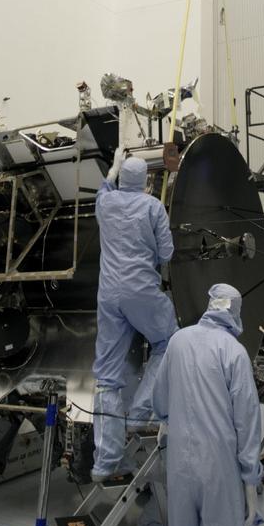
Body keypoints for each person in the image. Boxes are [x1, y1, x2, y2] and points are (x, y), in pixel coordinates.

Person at [152, 282, 263, 526]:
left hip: (180, 467)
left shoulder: (178, 341)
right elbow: (247, 419)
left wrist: (170, 420)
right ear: (234, 310)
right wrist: (250, 478)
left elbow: (160, 399)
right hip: (219, 470)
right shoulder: (233, 351)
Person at [92, 149, 178, 480]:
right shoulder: (153, 206)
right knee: (167, 342)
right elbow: (167, 252)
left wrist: (112, 168)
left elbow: (104, 188)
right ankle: (141, 414)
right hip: (141, 291)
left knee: (107, 376)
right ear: (145, 181)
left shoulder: (105, 203)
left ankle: (105, 460)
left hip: (109, 295)